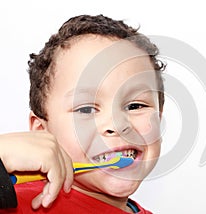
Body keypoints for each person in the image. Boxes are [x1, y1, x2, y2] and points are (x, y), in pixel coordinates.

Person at [0, 14, 165, 213]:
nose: (118, 124)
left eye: (135, 106)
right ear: (41, 132)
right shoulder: (17, 203)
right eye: (86, 109)